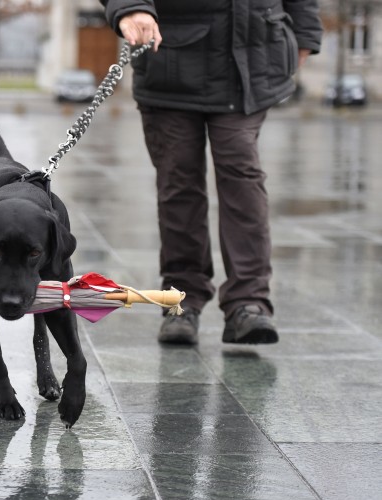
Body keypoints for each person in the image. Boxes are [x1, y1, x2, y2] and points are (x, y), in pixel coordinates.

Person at [100, 0, 322, 345]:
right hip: (169, 62)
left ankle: (249, 303)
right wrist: (131, 8)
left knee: (242, 176)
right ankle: (181, 302)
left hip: (249, 59)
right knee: (179, 182)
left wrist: (305, 33)